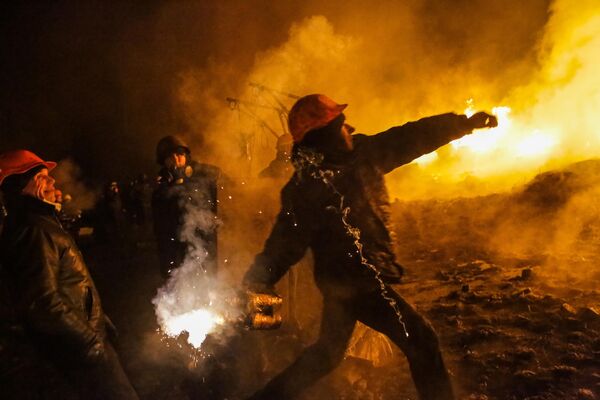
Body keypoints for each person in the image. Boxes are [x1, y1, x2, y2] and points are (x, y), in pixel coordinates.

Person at [243, 94, 498, 400]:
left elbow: (410, 137)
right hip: (357, 283)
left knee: (327, 353)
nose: (348, 127)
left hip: (344, 284)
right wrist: (258, 277)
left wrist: (462, 124)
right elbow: (283, 244)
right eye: (339, 124)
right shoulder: (305, 188)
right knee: (421, 339)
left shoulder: (364, 154)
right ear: (323, 136)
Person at [0, 149, 139, 399]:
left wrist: (100, 321)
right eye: (42, 175)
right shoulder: (33, 230)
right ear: (22, 185)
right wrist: (90, 342)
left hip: (85, 343)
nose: (53, 180)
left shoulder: (41, 222)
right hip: (80, 351)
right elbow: (42, 304)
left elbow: (70, 283)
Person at [152, 135, 222, 279]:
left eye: (180, 154)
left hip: (203, 246)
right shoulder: (161, 190)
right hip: (176, 250)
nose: (176, 160)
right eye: (170, 156)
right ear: (163, 161)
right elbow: (162, 228)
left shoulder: (200, 177)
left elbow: (219, 177)